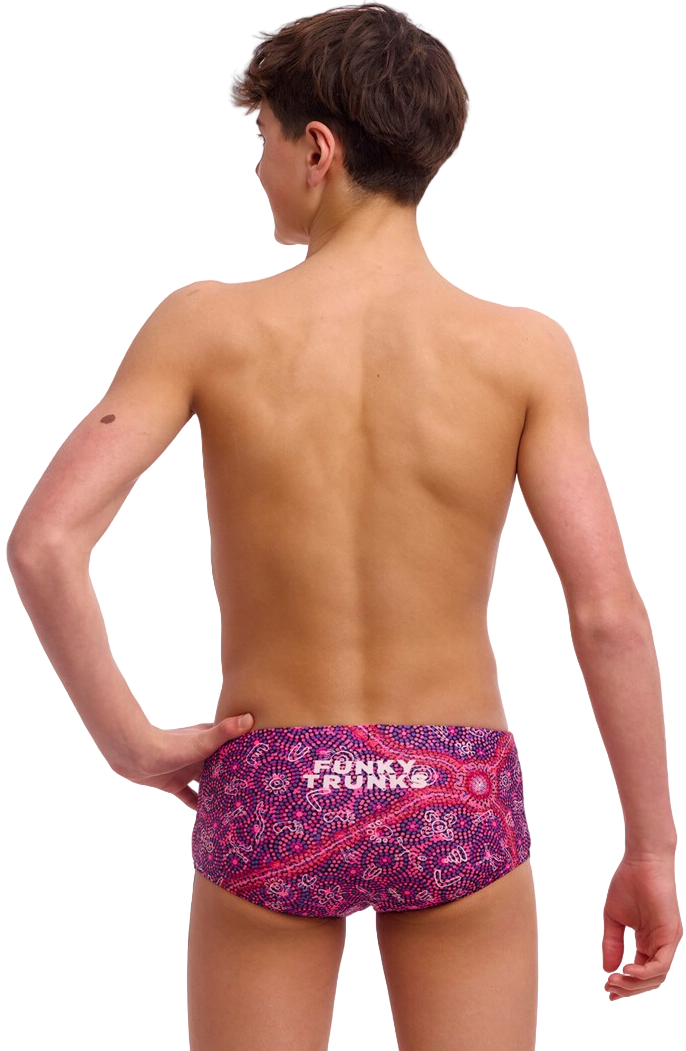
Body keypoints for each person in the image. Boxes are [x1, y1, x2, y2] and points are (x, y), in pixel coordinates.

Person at [5, 3, 680, 1048]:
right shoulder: (524, 348)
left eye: (262, 140)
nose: (257, 168)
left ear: (317, 149)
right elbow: (607, 614)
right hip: (452, 788)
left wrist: (132, 745)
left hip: (273, 776)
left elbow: (43, 542)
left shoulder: (207, 323)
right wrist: (651, 849)